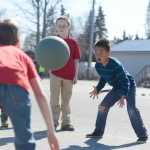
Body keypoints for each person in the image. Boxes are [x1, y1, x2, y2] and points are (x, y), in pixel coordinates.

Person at [0, 20, 59, 150]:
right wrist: (51, 132)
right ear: (18, 41)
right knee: (23, 137)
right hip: (16, 88)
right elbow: (40, 94)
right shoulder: (22, 56)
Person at [86, 39, 148, 144]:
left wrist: (123, 96)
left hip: (128, 85)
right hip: (117, 87)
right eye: (96, 52)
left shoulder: (116, 64)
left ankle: (142, 134)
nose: (98, 54)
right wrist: (98, 88)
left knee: (131, 109)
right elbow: (104, 78)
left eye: (101, 51)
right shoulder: (98, 65)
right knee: (103, 106)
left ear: (108, 52)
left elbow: (125, 81)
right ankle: (98, 132)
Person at [49, 16, 80, 131]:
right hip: (55, 74)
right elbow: (47, 56)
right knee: (54, 100)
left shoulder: (73, 43)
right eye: (59, 26)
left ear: (68, 27)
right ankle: (53, 121)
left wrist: (76, 75)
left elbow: (76, 60)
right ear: (56, 28)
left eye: (64, 26)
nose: (61, 28)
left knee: (66, 100)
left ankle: (66, 123)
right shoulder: (52, 41)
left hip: (69, 76)